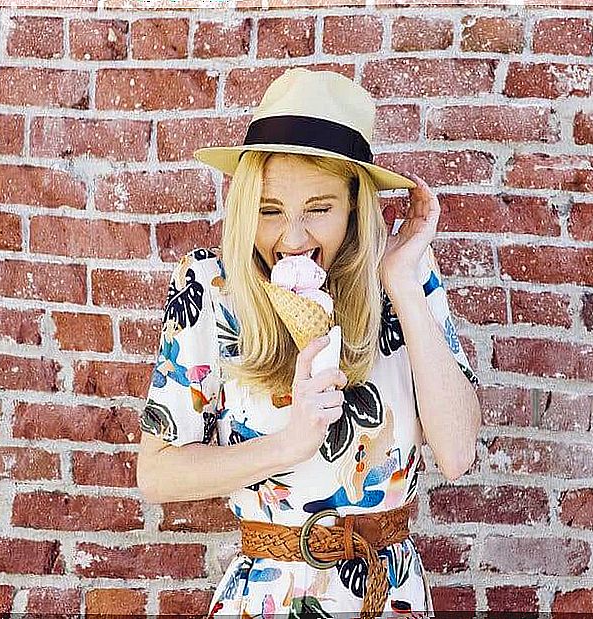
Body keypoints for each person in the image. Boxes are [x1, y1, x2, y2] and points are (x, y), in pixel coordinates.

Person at [136, 68, 481, 617]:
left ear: (354, 206)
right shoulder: (211, 288)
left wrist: (403, 285)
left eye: (318, 209)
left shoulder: (405, 279)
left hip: (385, 594)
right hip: (268, 594)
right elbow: (155, 473)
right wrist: (288, 445)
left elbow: (458, 454)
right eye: (270, 211)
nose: (291, 239)